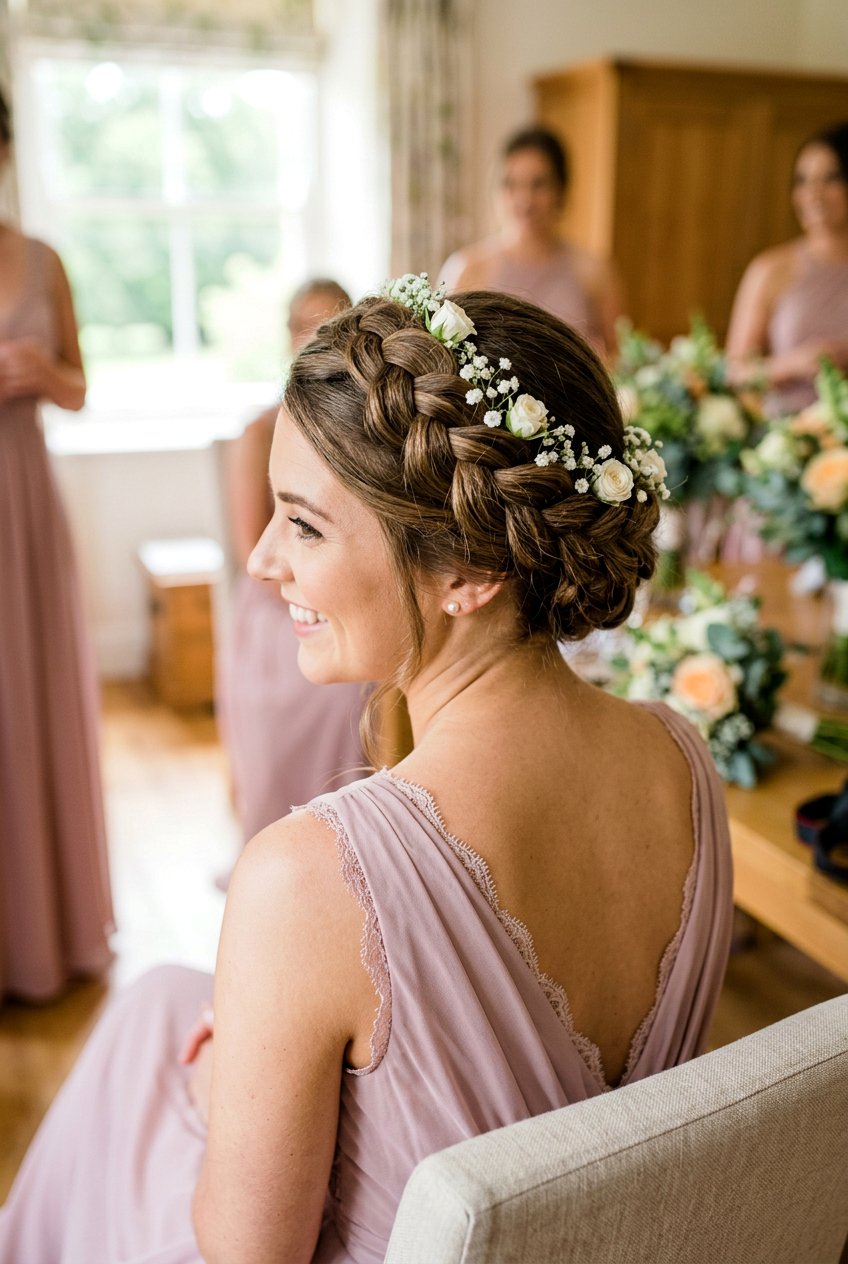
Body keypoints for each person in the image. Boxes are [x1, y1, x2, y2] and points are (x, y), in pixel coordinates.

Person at [0, 278, 733, 1263]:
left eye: (302, 525)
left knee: (140, 1054)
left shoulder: (307, 879)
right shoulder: (683, 765)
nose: (261, 561)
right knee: (157, 1003)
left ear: (467, 570)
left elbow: (246, 1251)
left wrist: (227, 1090)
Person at [0, 86, 114, 1003]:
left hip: (27, 496)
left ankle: (51, 932)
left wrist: (49, 375)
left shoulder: (43, 260)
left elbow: (82, 388)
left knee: (34, 689)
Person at [217, 278, 364, 848]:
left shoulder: (366, 435)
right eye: (306, 325)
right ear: (288, 337)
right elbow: (253, 553)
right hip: (278, 606)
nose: (316, 338)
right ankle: (275, 854)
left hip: (342, 595)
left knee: (359, 691)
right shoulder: (259, 434)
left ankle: (351, 850)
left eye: (330, 324)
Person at [440, 125, 623, 357]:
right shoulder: (467, 268)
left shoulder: (593, 271)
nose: (525, 199)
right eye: (511, 184)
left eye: (539, 184)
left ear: (560, 190)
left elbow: (618, 357)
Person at [726, 121, 848, 415]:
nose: (813, 194)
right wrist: (795, 363)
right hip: (787, 436)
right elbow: (734, 372)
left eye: (830, 178)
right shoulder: (771, 269)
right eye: (803, 180)